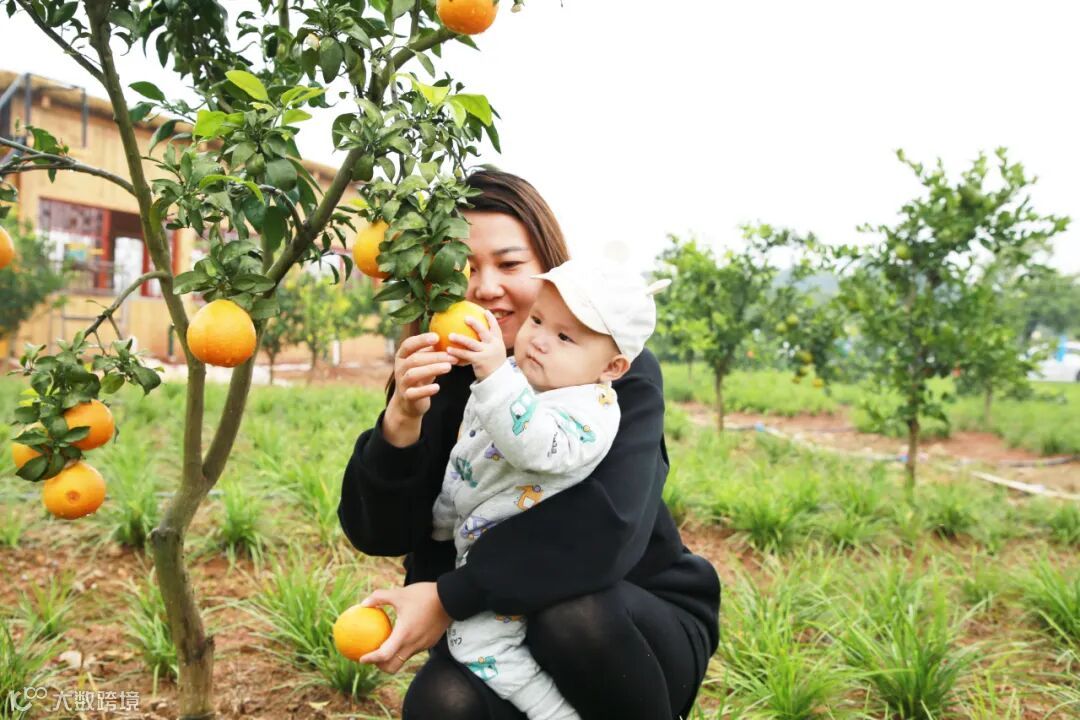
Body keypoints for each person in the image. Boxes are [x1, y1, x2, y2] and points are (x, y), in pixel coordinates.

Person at [338, 169, 721, 720]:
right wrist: (400, 422)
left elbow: (604, 531)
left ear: (550, 267)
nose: (484, 287)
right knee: (441, 705)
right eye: (464, 267)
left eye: (510, 264)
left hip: (626, 617)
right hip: (495, 621)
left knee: (571, 617)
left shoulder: (609, 374)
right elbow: (380, 534)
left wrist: (448, 597)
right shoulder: (446, 373)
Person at [430, 259, 672, 720]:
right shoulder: (517, 378)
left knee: (478, 647)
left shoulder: (591, 411)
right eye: (538, 320)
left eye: (565, 338)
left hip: (539, 575)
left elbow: (533, 446)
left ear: (613, 367)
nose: (539, 339)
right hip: (490, 561)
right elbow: (470, 458)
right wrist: (442, 518)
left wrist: (493, 378)